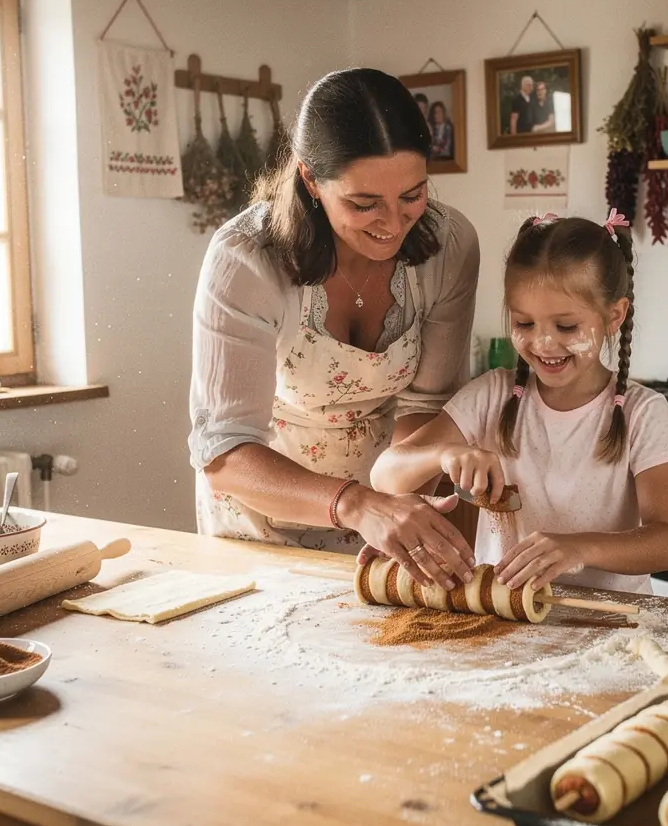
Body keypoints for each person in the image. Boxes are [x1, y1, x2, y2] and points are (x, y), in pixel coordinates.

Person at [189, 68, 479, 590]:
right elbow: (225, 453)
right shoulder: (246, 261)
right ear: (309, 181)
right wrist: (354, 502)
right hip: (264, 513)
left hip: (384, 517)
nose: (393, 223)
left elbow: (424, 405)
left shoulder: (449, 246)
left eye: (412, 195)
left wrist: (400, 494)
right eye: (363, 204)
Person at [370, 213, 668, 594]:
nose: (542, 344)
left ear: (613, 316)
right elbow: (384, 475)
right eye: (524, 324)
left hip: (613, 626)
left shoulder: (643, 414)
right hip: (508, 620)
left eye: (566, 327)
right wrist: (443, 455)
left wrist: (577, 548)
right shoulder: (491, 396)